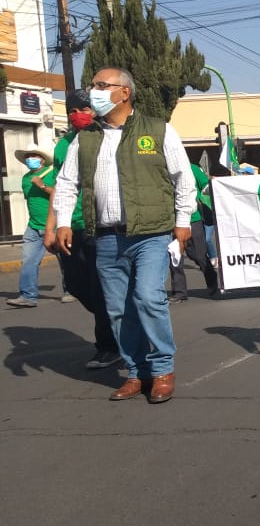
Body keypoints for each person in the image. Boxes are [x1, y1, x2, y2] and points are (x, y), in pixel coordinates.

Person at [53, 67, 196, 403]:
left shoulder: (158, 130)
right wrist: (62, 221)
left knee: (148, 298)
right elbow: (66, 182)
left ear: (124, 92)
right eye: (93, 86)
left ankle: (162, 369)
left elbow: (183, 178)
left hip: (151, 234)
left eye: (102, 86)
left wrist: (183, 219)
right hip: (105, 237)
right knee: (117, 309)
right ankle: (136, 371)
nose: (94, 92)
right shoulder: (85, 139)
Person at [43, 89, 121, 369]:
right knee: (76, 285)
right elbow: (59, 187)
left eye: (85, 109)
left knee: (100, 289)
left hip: (98, 226)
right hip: (69, 227)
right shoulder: (64, 145)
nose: (79, 115)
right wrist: (50, 228)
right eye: (72, 111)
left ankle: (109, 346)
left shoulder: (107, 137)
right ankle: (119, 323)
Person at [7, 144, 56, 308]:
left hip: (54, 224)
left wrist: (42, 186)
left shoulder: (52, 173)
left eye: (34, 156)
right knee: (28, 260)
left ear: (42, 159)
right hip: (33, 226)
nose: (30, 159)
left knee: (67, 263)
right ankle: (28, 296)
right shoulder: (25, 178)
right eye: (28, 156)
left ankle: (70, 290)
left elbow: (59, 194)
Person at [168, 163, 219, 301]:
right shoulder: (161, 168)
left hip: (193, 219)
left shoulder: (192, 168)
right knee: (174, 258)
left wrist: (216, 185)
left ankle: (213, 284)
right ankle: (180, 293)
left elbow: (206, 186)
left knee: (199, 256)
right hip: (170, 222)